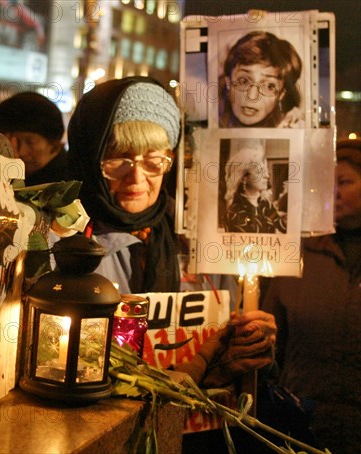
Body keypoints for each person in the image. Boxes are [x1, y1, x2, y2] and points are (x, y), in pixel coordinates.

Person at [66, 76, 276, 389]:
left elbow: (229, 328)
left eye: (154, 161)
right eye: (118, 159)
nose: (136, 177)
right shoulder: (62, 244)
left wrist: (250, 338)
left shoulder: (199, 237)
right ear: (90, 158)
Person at [260, 138, 361, 454]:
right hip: (303, 426)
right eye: (327, 182)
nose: (335, 191)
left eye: (344, 181)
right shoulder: (299, 252)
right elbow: (272, 340)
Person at [219, 31, 303, 128]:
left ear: (281, 94)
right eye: (243, 81)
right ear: (228, 83)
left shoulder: (291, 126)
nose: (252, 96)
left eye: (269, 86)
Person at [0, 91, 68, 186]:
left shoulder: (66, 186)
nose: (21, 152)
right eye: (10, 140)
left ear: (55, 147)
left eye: (30, 142)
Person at [223, 140, 286, 233]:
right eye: (259, 172)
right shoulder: (235, 212)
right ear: (244, 178)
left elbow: (284, 229)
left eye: (266, 172)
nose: (267, 176)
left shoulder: (265, 204)